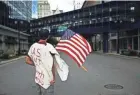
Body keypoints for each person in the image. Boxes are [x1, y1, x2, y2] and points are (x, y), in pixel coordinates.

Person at [25, 29, 58, 95]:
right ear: (48, 37)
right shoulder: (49, 47)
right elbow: (52, 65)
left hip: (38, 79)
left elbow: (27, 60)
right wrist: (53, 78)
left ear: (39, 36)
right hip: (48, 80)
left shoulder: (33, 46)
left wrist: (37, 64)